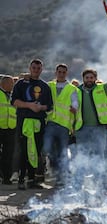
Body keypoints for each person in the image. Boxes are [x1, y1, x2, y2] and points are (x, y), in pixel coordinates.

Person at [72, 62, 107, 191]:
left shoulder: (102, 89)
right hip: (82, 129)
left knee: (99, 157)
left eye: (91, 77)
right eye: (87, 78)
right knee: (82, 156)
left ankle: (99, 184)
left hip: (99, 129)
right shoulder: (77, 90)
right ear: (83, 79)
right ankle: (79, 185)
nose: (89, 80)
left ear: (95, 79)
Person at [11, 59, 53, 190]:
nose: (36, 70)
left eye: (38, 68)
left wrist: (40, 108)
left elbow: (49, 106)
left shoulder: (45, 86)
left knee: (36, 151)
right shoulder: (21, 84)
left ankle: (32, 180)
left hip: (39, 122)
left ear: (41, 69)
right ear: (30, 68)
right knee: (24, 151)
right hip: (24, 121)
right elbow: (14, 101)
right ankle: (21, 179)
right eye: (34, 68)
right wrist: (29, 105)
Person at [42, 63, 79, 187]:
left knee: (63, 152)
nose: (61, 74)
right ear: (56, 72)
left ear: (66, 73)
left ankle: (62, 177)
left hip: (64, 125)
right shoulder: (49, 85)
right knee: (49, 150)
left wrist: (74, 108)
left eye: (64, 72)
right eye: (59, 72)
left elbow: (75, 102)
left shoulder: (71, 88)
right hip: (50, 123)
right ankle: (56, 172)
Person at [0, 75, 16, 185]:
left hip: (10, 129)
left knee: (8, 154)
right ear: (3, 84)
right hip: (0, 127)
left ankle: (6, 178)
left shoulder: (13, 95)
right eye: (11, 83)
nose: (13, 85)